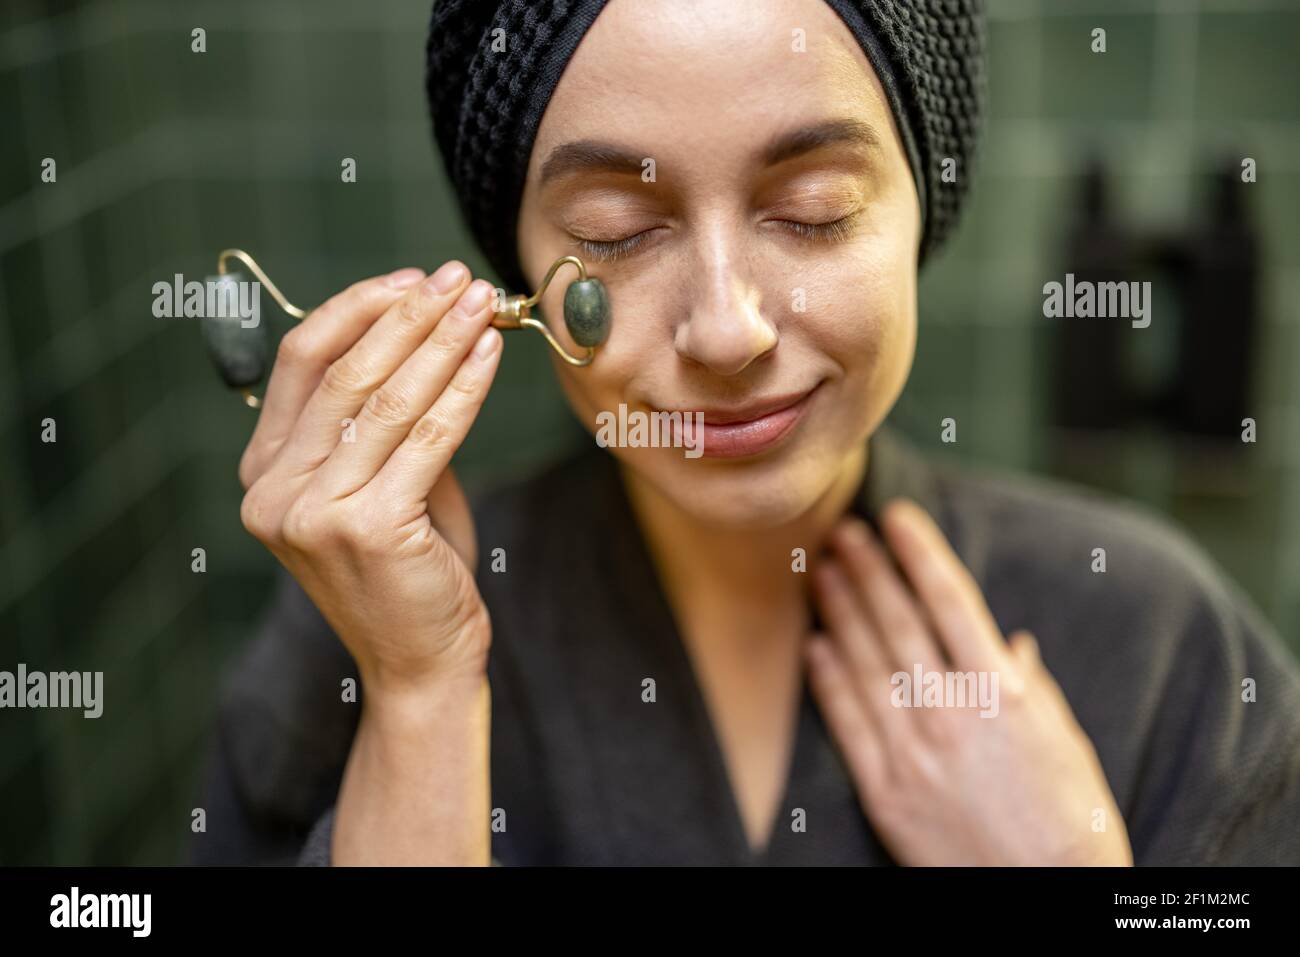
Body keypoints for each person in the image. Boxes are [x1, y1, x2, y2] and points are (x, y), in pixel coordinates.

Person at [191, 0, 1300, 866]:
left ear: (924, 212)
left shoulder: (1161, 644)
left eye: (814, 209)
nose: (726, 328)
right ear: (518, 271)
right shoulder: (352, 646)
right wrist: (419, 700)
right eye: (615, 235)